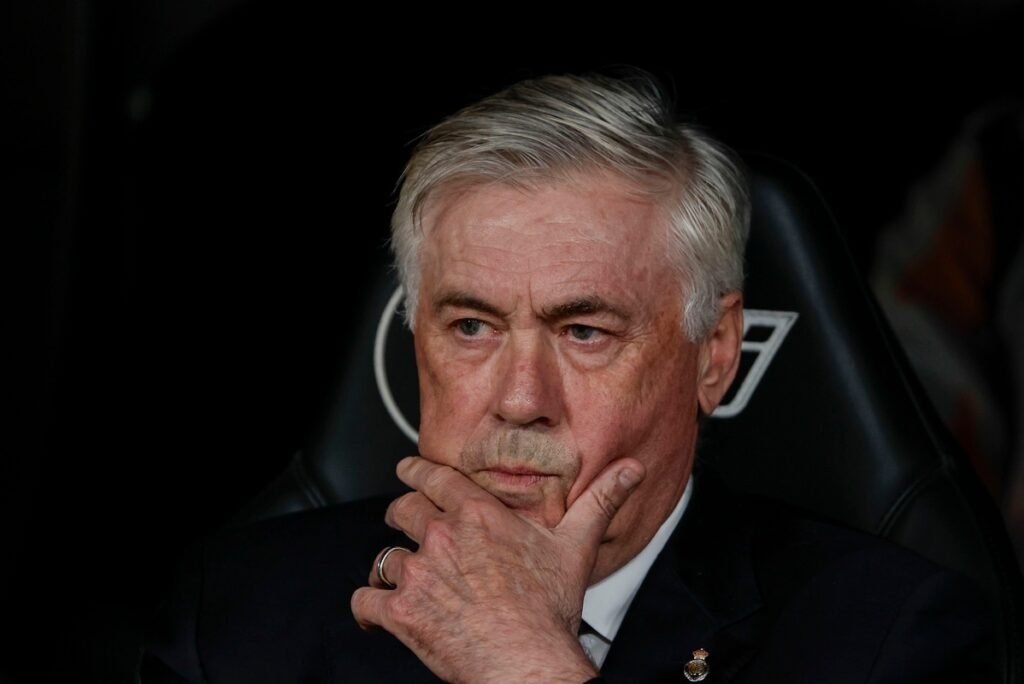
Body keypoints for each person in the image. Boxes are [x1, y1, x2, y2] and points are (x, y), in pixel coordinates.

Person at [141, 72, 993, 682]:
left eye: (584, 332)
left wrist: (530, 665)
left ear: (714, 353)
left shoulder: (889, 640)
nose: (520, 401)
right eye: (471, 327)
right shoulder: (242, 612)